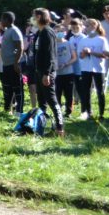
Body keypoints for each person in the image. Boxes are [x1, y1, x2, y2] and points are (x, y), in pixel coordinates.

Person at [32, 8, 64, 137]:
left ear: (39, 17)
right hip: (39, 71)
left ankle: (60, 128)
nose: (32, 18)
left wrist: (47, 73)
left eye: (34, 16)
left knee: (52, 100)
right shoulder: (39, 33)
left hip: (47, 72)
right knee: (41, 101)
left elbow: (50, 55)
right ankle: (41, 128)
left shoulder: (47, 32)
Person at [76, 18, 109, 121]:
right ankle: (89, 112)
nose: (86, 28)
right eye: (85, 26)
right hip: (86, 68)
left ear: (94, 26)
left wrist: (91, 52)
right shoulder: (83, 40)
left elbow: (106, 55)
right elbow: (80, 56)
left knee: (100, 91)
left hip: (99, 69)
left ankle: (101, 113)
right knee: (86, 91)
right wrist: (84, 53)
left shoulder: (101, 39)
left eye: (88, 26)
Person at [0, 12, 24, 116]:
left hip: (13, 64)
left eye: (2, 19)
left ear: (7, 20)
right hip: (6, 64)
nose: (1, 22)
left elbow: (20, 47)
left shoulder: (14, 30)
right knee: (8, 87)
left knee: (17, 87)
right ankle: (8, 108)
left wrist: (16, 62)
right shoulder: (7, 31)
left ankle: (19, 110)